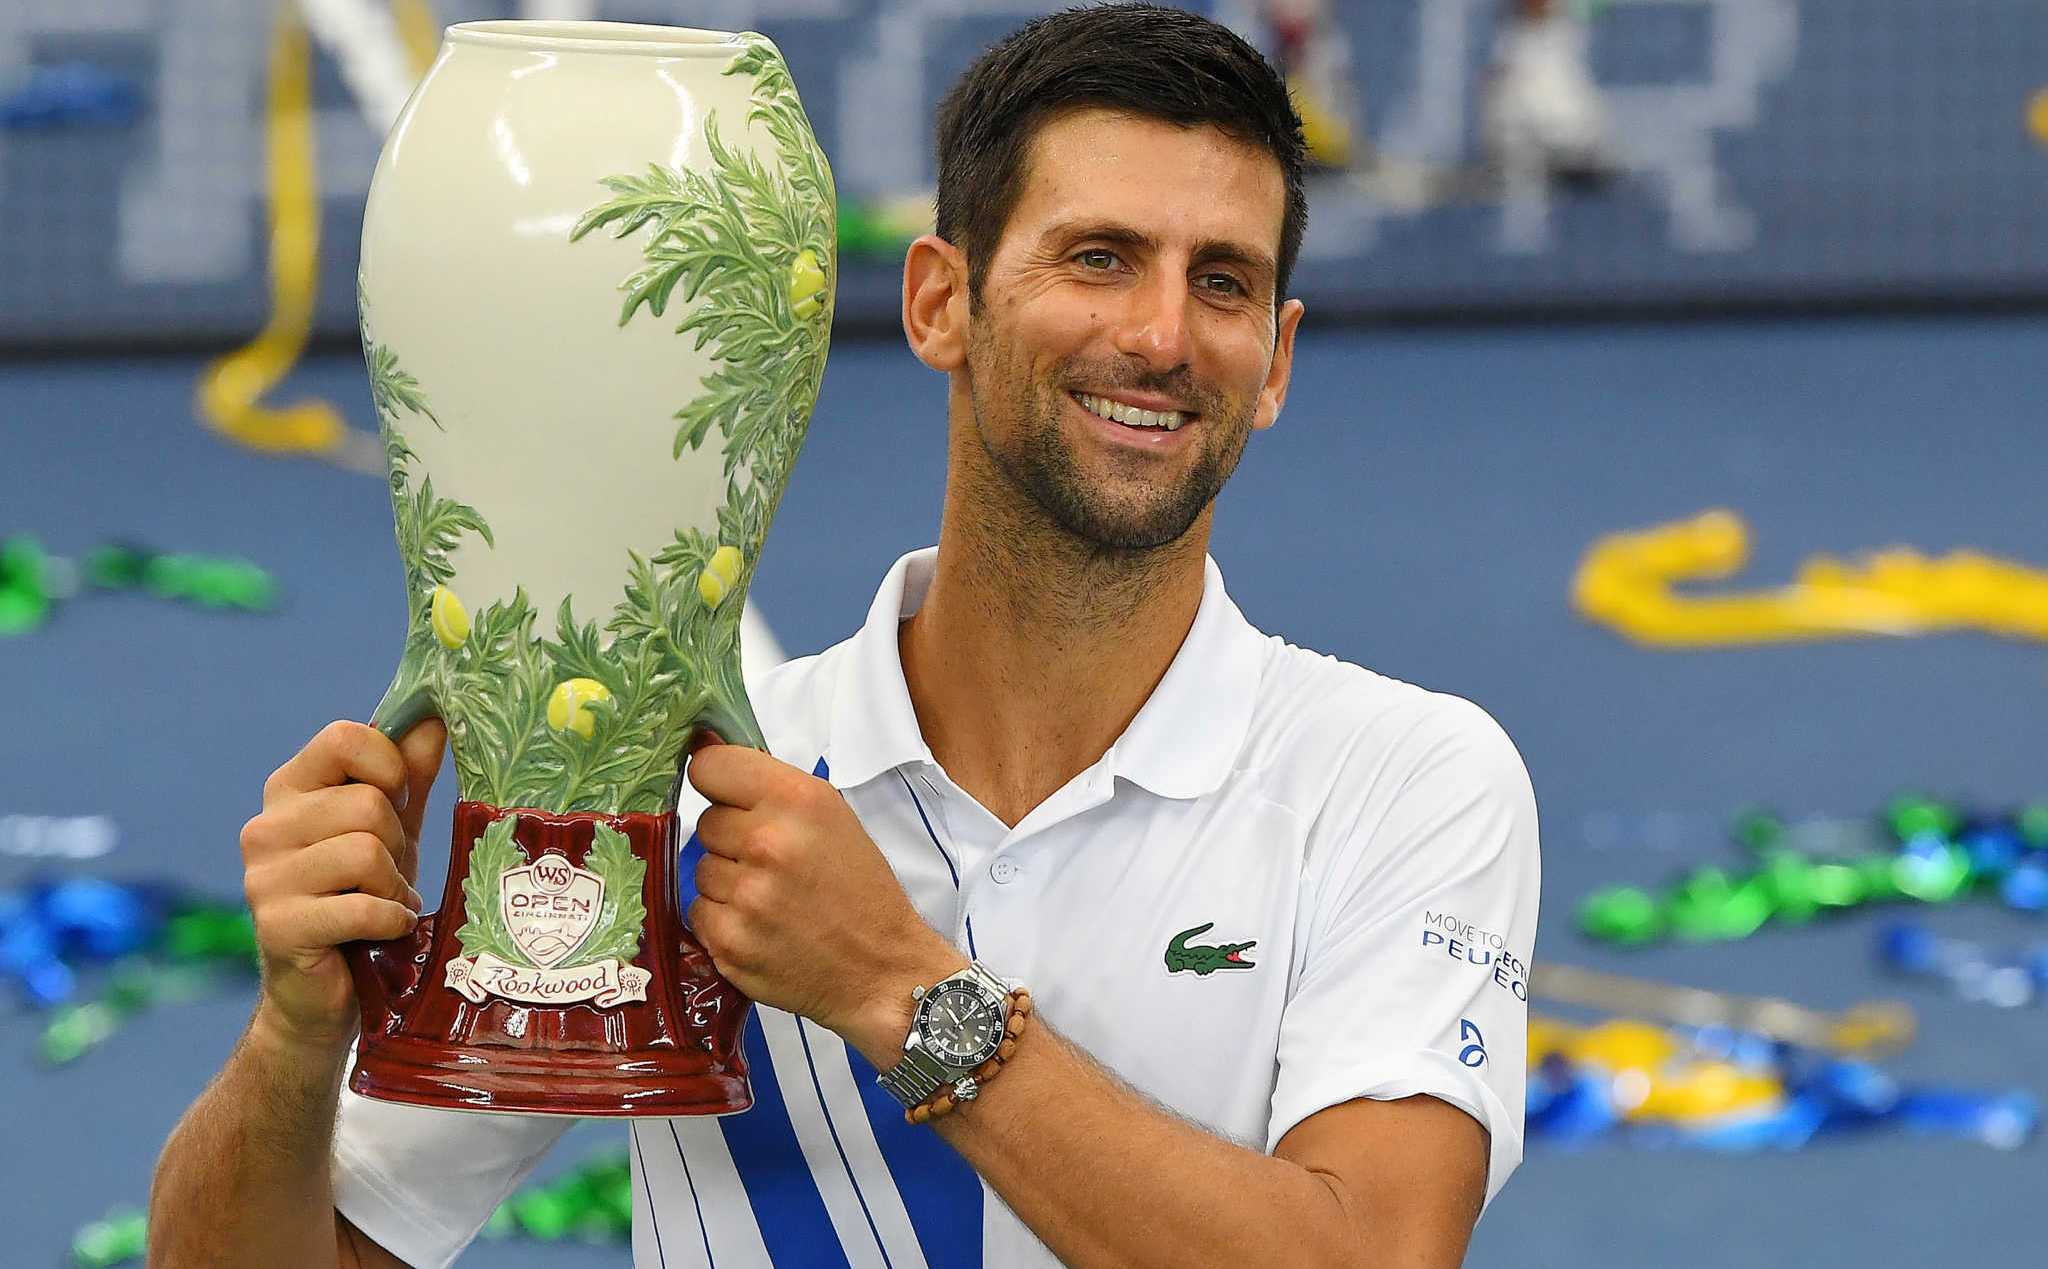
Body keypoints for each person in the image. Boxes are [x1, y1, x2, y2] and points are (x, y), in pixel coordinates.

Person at [150, 6, 1539, 1266]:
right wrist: (289, 1040)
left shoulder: (1407, 780)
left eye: (1222, 282)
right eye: (1099, 259)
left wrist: (893, 984)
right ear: (939, 299)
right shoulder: (674, 800)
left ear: (1278, 360)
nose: (1163, 333)